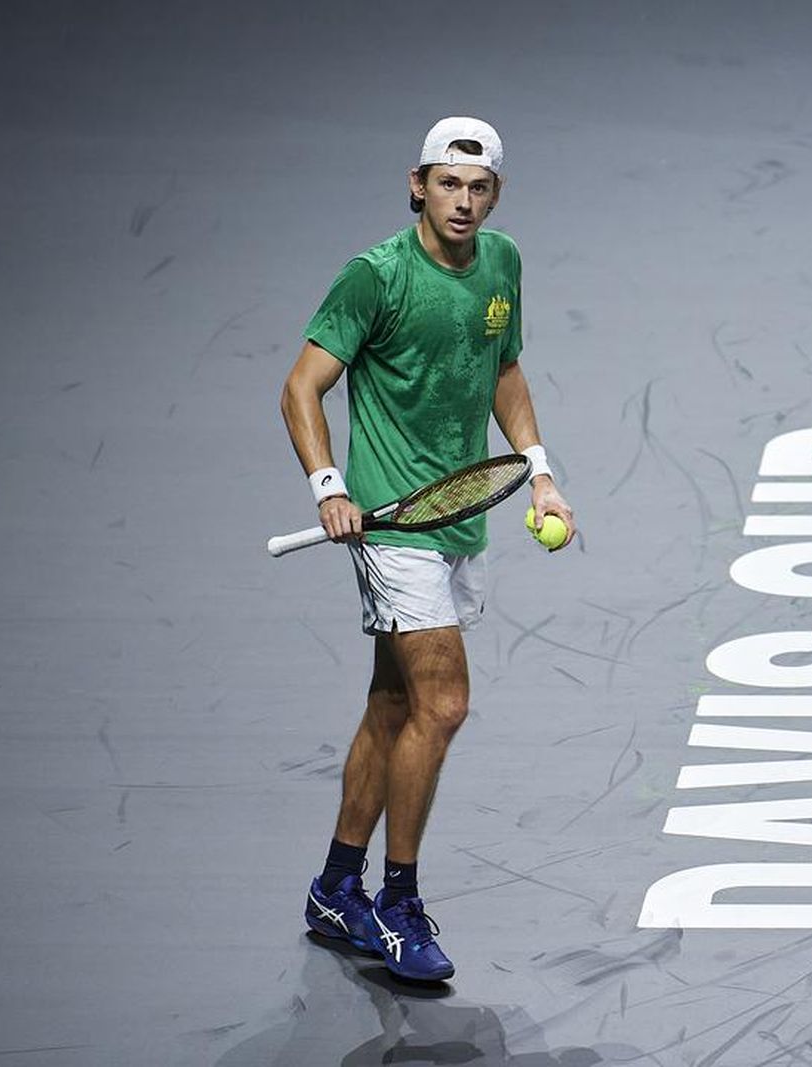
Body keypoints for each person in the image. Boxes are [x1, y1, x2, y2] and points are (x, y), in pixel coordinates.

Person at [279, 116, 575, 982]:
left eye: (479, 188)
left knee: (392, 704)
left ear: (496, 195)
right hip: (391, 526)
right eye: (448, 184)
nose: (463, 202)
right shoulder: (375, 276)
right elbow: (301, 386)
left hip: (457, 517)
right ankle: (399, 901)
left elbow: (504, 368)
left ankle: (336, 887)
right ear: (418, 185)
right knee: (442, 704)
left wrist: (540, 471)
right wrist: (330, 486)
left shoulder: (502, 262)